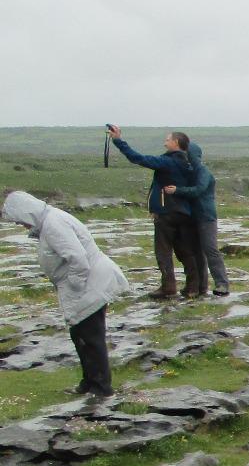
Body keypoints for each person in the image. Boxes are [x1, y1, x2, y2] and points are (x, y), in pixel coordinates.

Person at [2, 190, 131, 398]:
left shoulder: (54, 225)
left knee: (91, 336)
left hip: (90, 284)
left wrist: (75, 288)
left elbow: (78, 259)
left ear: (26, 213)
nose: (20, 225)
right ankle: (89, 383)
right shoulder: (50, 222)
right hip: (86, 284)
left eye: (19, 220)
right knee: (79, 334)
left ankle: (101, 388)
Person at [109, 126, 204, 298]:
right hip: (184, 212)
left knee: (163, 251)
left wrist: (118, 141)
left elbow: (138, 158)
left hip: (167, 211)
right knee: (185, 251)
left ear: (176, 142)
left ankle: (168, 286)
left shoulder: (168, 161)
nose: (164, 142)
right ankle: (193, 287)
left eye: (167, 140)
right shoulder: (188, 164)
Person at [169, 137, 229, 296]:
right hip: (192, 217)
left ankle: (222, 284)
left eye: (186, 153)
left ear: (192, 155)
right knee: (197, 253)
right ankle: (202, 286)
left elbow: (198, 190)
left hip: (206, 216)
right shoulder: (190, 172)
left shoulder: (203, 172)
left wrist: (177, 190)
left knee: (210, 250)